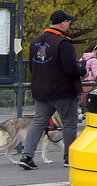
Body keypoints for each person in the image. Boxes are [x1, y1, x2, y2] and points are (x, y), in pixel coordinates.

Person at [17, 10, 84, 170]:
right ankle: (69, 158)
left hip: (41, 90)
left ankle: (27, 156)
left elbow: (33, 67)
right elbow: (70, 69)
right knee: (69, 124)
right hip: (63, 92)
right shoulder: (63, 43)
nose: (69, 25)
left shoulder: (35, 42)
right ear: (62, 24)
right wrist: (83, 71)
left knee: (39, 122)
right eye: (68, 22)